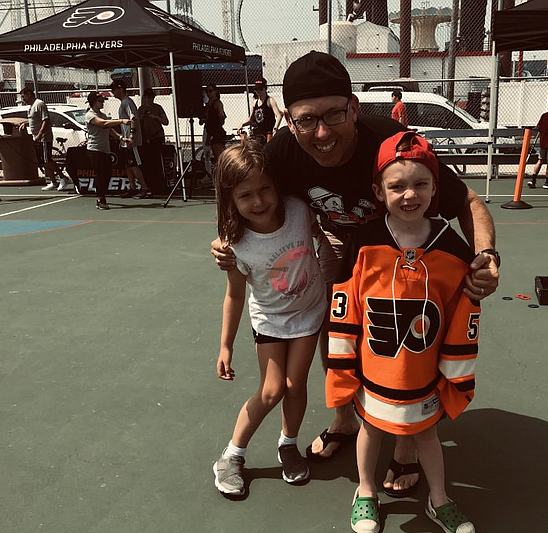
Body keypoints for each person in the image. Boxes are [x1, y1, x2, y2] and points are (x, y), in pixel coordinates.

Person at [210, 51, 499, 496]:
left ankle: (404, 441)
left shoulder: (392, 142)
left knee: (401, 335)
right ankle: (347, 417)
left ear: (355, 108)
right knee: (339, 330)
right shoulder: (283, 151)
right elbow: (245, 193)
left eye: (334, 114)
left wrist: (486, 256)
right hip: (338, 242)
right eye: (308, 120)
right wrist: (226, 240)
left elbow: (469, 203)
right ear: (289, 120)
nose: (322, 132)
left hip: (397, 242)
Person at [326, 131, 478, 533]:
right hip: (376, 370)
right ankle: (366, 490)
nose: (410, 195)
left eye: (421, 184)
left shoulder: (453, 247)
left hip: (422, 371)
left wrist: (455, 372)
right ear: (378, 190)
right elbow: (345, 307)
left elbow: (465, 312)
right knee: (370, 429)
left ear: (435, 188)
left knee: (427, 433)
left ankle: (439, 498)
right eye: (397, 186)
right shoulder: (362, 242)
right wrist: (342, 367)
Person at [211, 141, 327, 497]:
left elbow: (323, 231)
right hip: (271, 320)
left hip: (310, 312)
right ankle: (231, 455)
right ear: (230, 199)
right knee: (272, 390)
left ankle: (288, 444)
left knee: (295, 386)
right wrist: (225, 346)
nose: (259, 202)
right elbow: (234, 294)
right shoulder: (235, 244)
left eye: (265, 189)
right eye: (246, 195)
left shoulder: (298, 210)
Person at [84, 91, 133, 210]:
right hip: (94, 149)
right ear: (93, 102)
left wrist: (121, 138)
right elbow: (103, 124)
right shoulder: (90, 115)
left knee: (107, 174)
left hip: (105, 150)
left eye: (102, 101)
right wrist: (121, 121)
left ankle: (101, 195)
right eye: (100, 101)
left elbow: (109, 129)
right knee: (101, 174)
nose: (102, 103)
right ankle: (100, 199)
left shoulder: (103, 114)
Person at [19, 87, 69, 192]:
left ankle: (63, 177)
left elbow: (45, 120)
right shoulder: (31, 107)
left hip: (44, 138)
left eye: (24, 97)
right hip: (36, 138)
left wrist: (40, 134)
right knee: (42, 162)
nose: (23, 99)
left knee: (47, 160)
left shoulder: (39, 104)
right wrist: (25, 123)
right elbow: (34, 120)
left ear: (29, 94)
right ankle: (53, 182)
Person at [110, 80, 152, 199]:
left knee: (134, 165)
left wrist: (132, 136)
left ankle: (145, 189)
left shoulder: (127, 102)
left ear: (121, 89)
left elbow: (134, 119)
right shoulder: (123, 102)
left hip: (131, 141)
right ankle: (133, 188)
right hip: (125, 141)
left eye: (114, 89)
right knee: (127, 165)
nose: (113, 92)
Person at [238, 78, 283, 145]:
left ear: (265, 89)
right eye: (256, 89)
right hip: (258, 134)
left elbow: (279, 115)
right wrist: (242, 124)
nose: (258, 91)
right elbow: (251, 119)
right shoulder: (255, 102)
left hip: (268, 133)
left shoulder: (270, 100)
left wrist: (275, 128)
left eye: (260, 89)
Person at [203, 84, 228, 168]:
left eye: (210, 91)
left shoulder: (217, 103)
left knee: (218, 157)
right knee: (209, 154)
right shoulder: (208, 105)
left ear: (215, 92)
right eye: (207, 91)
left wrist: (221, 116)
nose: (208, 94)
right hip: (210, 131)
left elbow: (221, 118)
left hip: (216, 132)